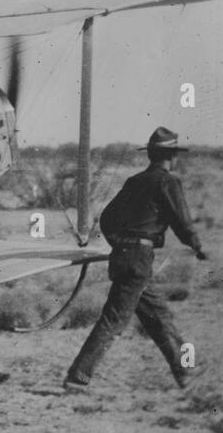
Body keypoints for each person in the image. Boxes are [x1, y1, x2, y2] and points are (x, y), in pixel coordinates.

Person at [65, 127, 208, 392]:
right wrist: (198, 246)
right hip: (139, 260)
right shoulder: (168, 182)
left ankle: (185, 371)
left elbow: (107, 219)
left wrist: (121, 244)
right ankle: (78, 376)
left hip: (124, 258)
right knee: (114, 320)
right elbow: (182, 221)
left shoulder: (135, 181)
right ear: (171, 156)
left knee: (159, 317)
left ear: (152, 154)